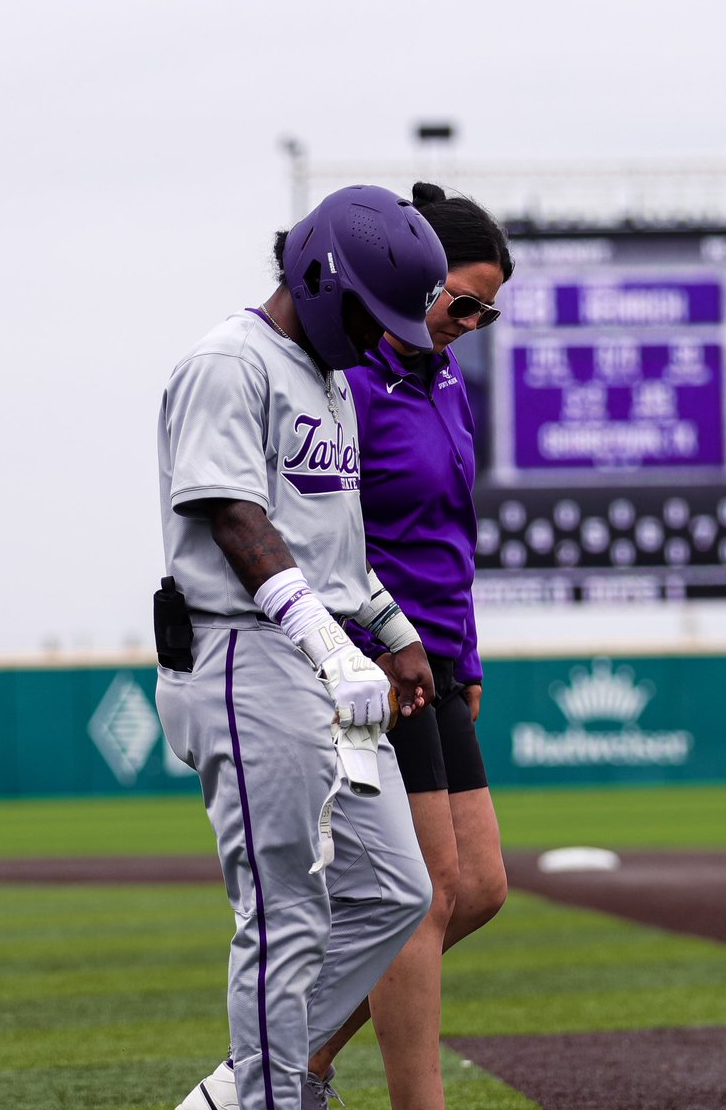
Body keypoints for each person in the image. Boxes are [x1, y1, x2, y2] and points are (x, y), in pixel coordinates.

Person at [156, 185, 448, 1110]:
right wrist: (328, 644)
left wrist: (392, 634)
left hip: (323, 663)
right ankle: (276, 1094)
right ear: (322, 276)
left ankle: (244, 1084)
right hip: (244, 655)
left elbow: (337, 552)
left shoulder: (325, 379)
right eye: (374, 314)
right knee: (282, 911)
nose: (382, 338)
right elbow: (234, 519)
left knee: (397, 891)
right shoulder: (228, 362)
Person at [307, 182, 514, 1110]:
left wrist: (465, 659)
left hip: (439, 662)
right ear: (416, 283)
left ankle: (292, 1055)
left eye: (487, 309)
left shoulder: (445, 384)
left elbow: (450, 536)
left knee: (480, 892)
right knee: (425, 896)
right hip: (376, 663)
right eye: (460, 301)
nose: (471, 321)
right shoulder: (344, 385)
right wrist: (361, 652)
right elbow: (327, 539)